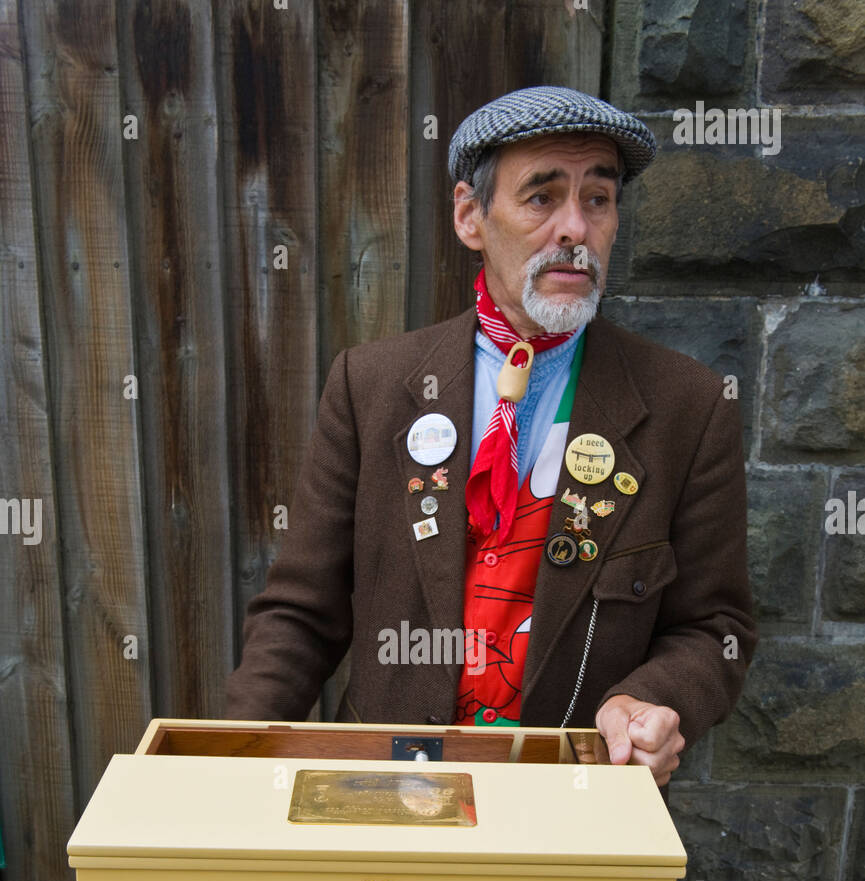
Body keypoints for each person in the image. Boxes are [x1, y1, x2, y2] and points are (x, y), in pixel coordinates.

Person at [225, 87, 756, 786]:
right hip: (391, 787)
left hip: (576, 793)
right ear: (470, 217)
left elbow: (713, 627)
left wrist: (650, 701)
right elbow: (301, 613)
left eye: (596, 200)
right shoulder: (371, 385)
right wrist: (224, 762)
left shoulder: (685, 405)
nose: (574, 227)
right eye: (541, 197)